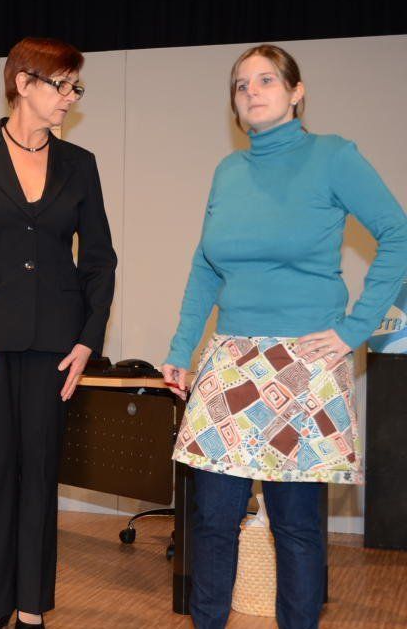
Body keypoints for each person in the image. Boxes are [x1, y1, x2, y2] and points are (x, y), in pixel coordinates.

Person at [162, 44, 407, 629]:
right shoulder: (229, 171)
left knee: (296, 527)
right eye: (241, 84)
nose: (252, 91)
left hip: (306, 361)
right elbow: (205, 267)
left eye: (266, 79)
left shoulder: (333, 156)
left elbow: (397, 234)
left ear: (297, 92)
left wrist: (354, 329)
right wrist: (180, 349)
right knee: (212, 521)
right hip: (231, 359)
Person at [0, 37, 117, 629]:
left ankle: (33, 607)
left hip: (56, 344)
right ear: (23, 83)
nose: (70, 97)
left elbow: (100, 260)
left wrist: (88, 339)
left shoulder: (80, 163)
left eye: (75, 87)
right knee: (0, 471)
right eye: (62, 85)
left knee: (40, 471)